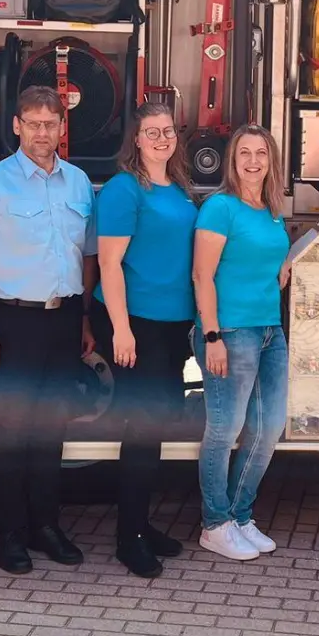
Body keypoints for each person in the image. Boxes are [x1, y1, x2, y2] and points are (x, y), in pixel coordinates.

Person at [0, 85, 97, 574]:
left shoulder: (79, 183)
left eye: (50, 124)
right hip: (10, 321)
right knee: (11, 432)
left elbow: (88, 257)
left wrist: (81, 318)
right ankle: (9, 534)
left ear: (62, 127)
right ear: (16, 125)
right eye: (33, 123)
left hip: (63, 320)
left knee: (51, 429)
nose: (42, 133)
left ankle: (46, 526)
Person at [89, 102, 196, 577]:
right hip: (135, 321)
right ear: (136, 139)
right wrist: (122, 330)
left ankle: (141, 524)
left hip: (172, 324)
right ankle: (128, 537)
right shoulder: (123, 189)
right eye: (151, 132)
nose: (160, 138)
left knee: (159, 424)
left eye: (167, 131)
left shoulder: (180, 189)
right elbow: (108, 264)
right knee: (143, 428)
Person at [192, 124, 291, 562]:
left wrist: (283, 264)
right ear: (232, 160)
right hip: (230, 331)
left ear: (272, 161)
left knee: (268, 428)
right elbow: (202, 275)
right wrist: (212, 335)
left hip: (271, 329)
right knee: (225, 430)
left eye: (262, 154)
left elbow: (265, 257)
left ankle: (239, 515)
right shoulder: (220, 208)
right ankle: (214, 524)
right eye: (245, 153)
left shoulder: (271, 210)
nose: (253, 162)